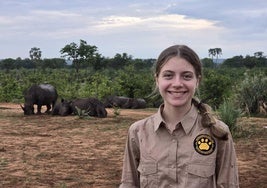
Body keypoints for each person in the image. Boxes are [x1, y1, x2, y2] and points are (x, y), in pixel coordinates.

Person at [119, 45, 239, 188]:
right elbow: (128, 184)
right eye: (168, 75)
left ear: (197, 81)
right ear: (157, 80)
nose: (177, 84)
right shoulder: (138, 132)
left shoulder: (218, 132)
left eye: (186, 76)